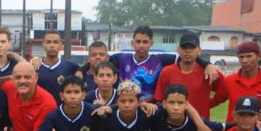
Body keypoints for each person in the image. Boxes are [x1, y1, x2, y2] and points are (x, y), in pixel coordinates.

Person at [81, 26, 219, 102]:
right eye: (138, 41)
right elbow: (99, 60)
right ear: (132, 43)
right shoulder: (121, 58)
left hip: (150, 112)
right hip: (124, 108)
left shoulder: (161, 60)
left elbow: (187, 56)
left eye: (145, 42)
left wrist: (207, 64)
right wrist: (81, 70)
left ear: (151, 43)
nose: (141, 45)